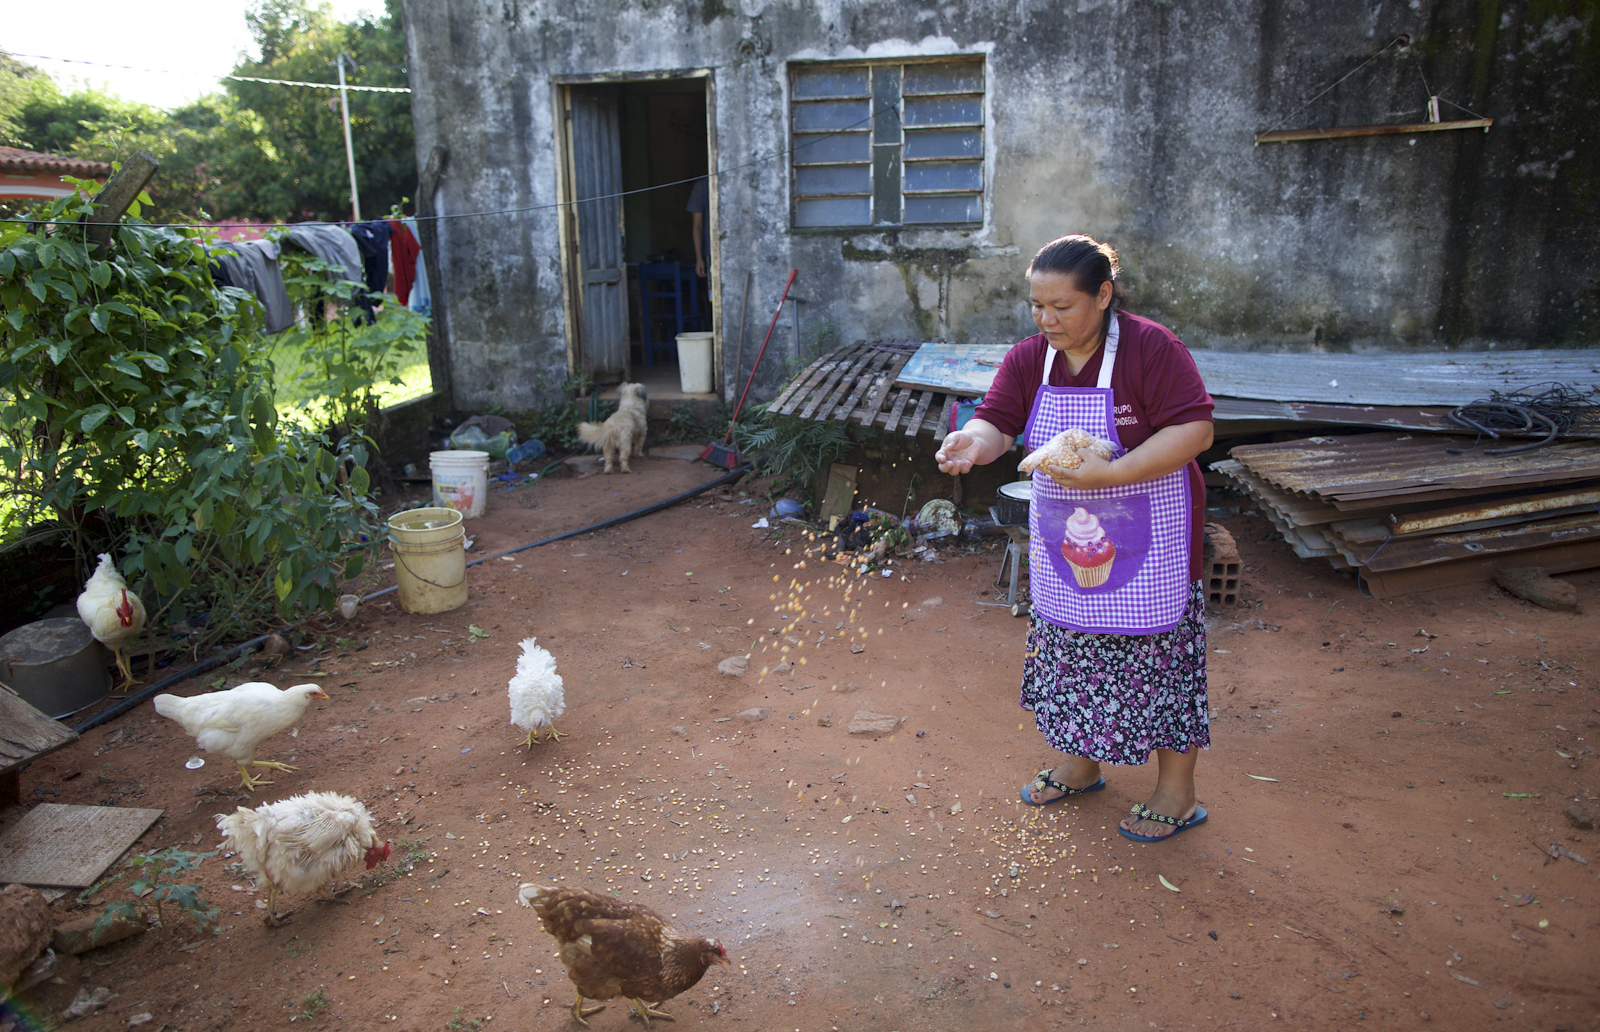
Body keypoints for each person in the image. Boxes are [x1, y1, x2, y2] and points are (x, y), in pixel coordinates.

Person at [935, 234, 1215, 842]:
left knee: (1161, 663)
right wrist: (973, 444)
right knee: (1071, 658)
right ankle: (1082, 763)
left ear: (1104, 296)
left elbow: (1194, 430)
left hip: (1153, 546)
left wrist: (1112, 473)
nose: (1047, 319)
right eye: (1037, 306)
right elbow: (999, 420)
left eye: (1061, 306)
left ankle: (1177, 791)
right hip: (1071, 547)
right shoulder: (1031, 357)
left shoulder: (1150, 348)